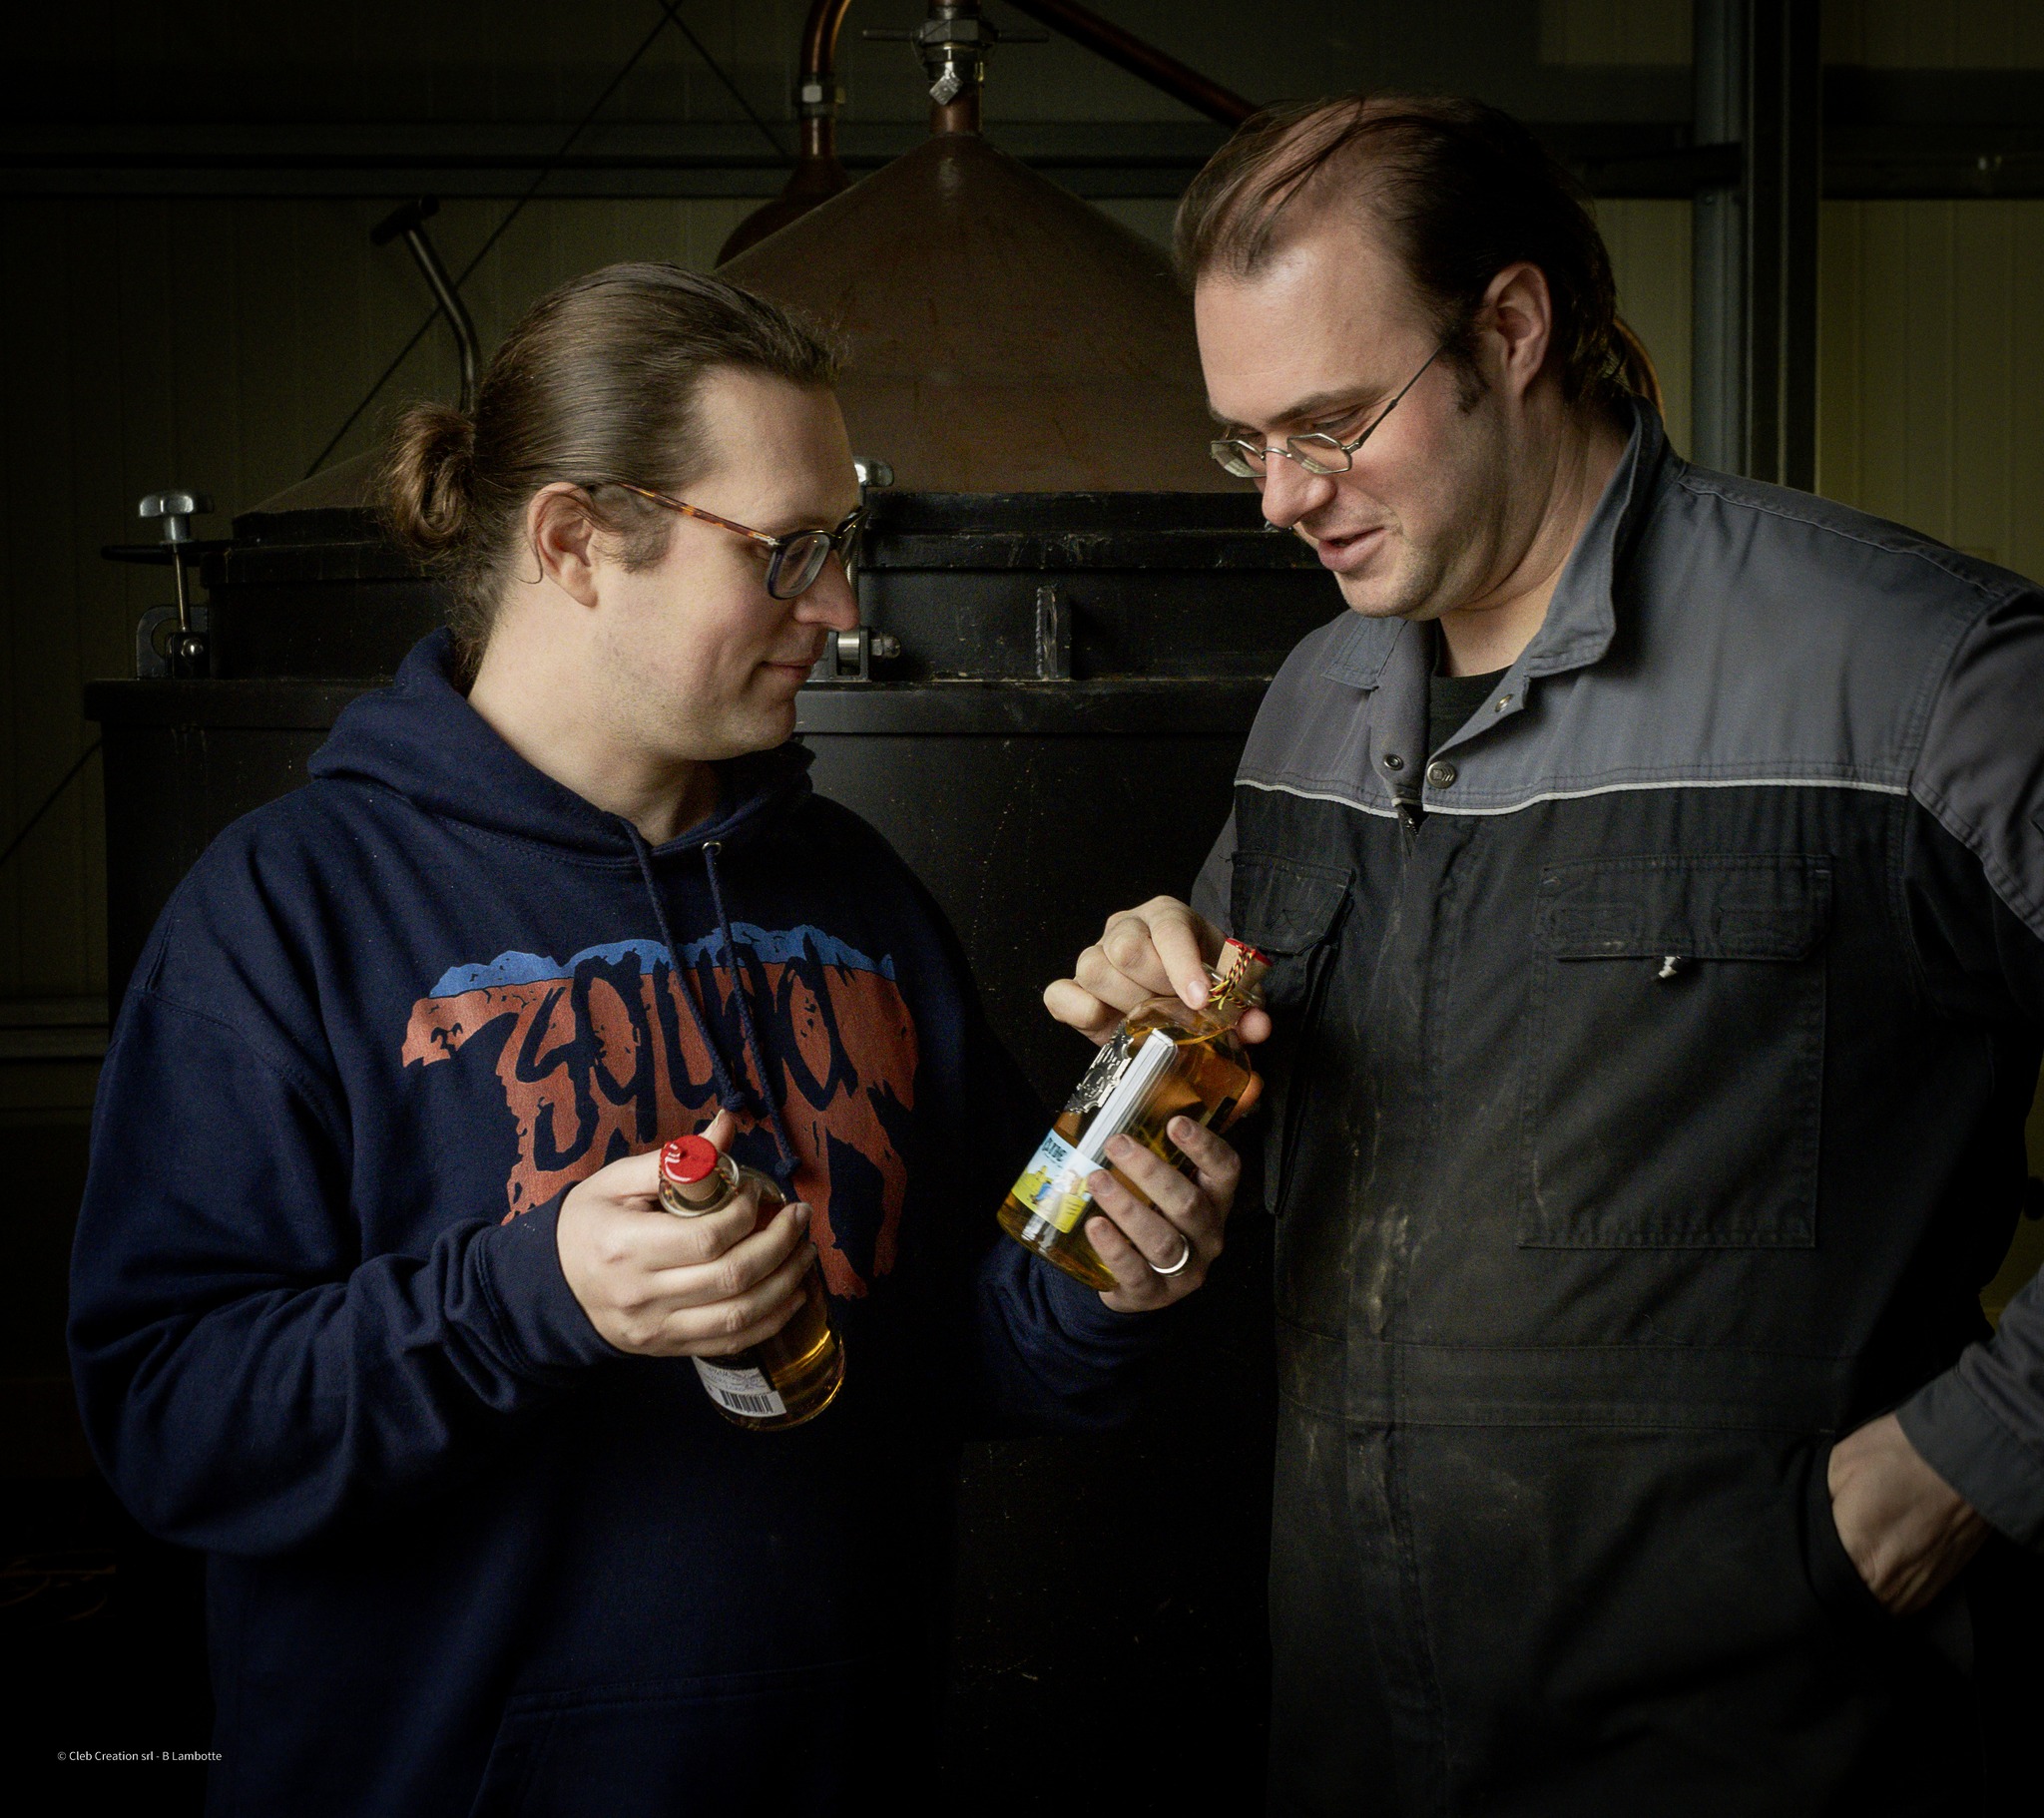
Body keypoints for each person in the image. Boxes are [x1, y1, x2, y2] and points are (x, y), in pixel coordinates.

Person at [67, 263, 1239, 1816]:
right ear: (572, 543)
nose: (839, 606)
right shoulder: (287, 912)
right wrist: (529, 1294)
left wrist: (1116, 1264)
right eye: (787, 553)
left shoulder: (853, 892)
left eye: (848, 547)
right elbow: (170, 1425)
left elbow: (971, 1352)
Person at [1048, 95, 2044, 1812]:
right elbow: (1252, 1106)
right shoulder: (1318, 696)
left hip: (1767, 1734)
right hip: (1364, 1723)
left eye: (1331, 422)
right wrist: (1156, 1127)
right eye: (1245, 441)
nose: (1284, 499)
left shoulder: (1918, 674)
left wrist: (1964, 1464)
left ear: (1511, 328)